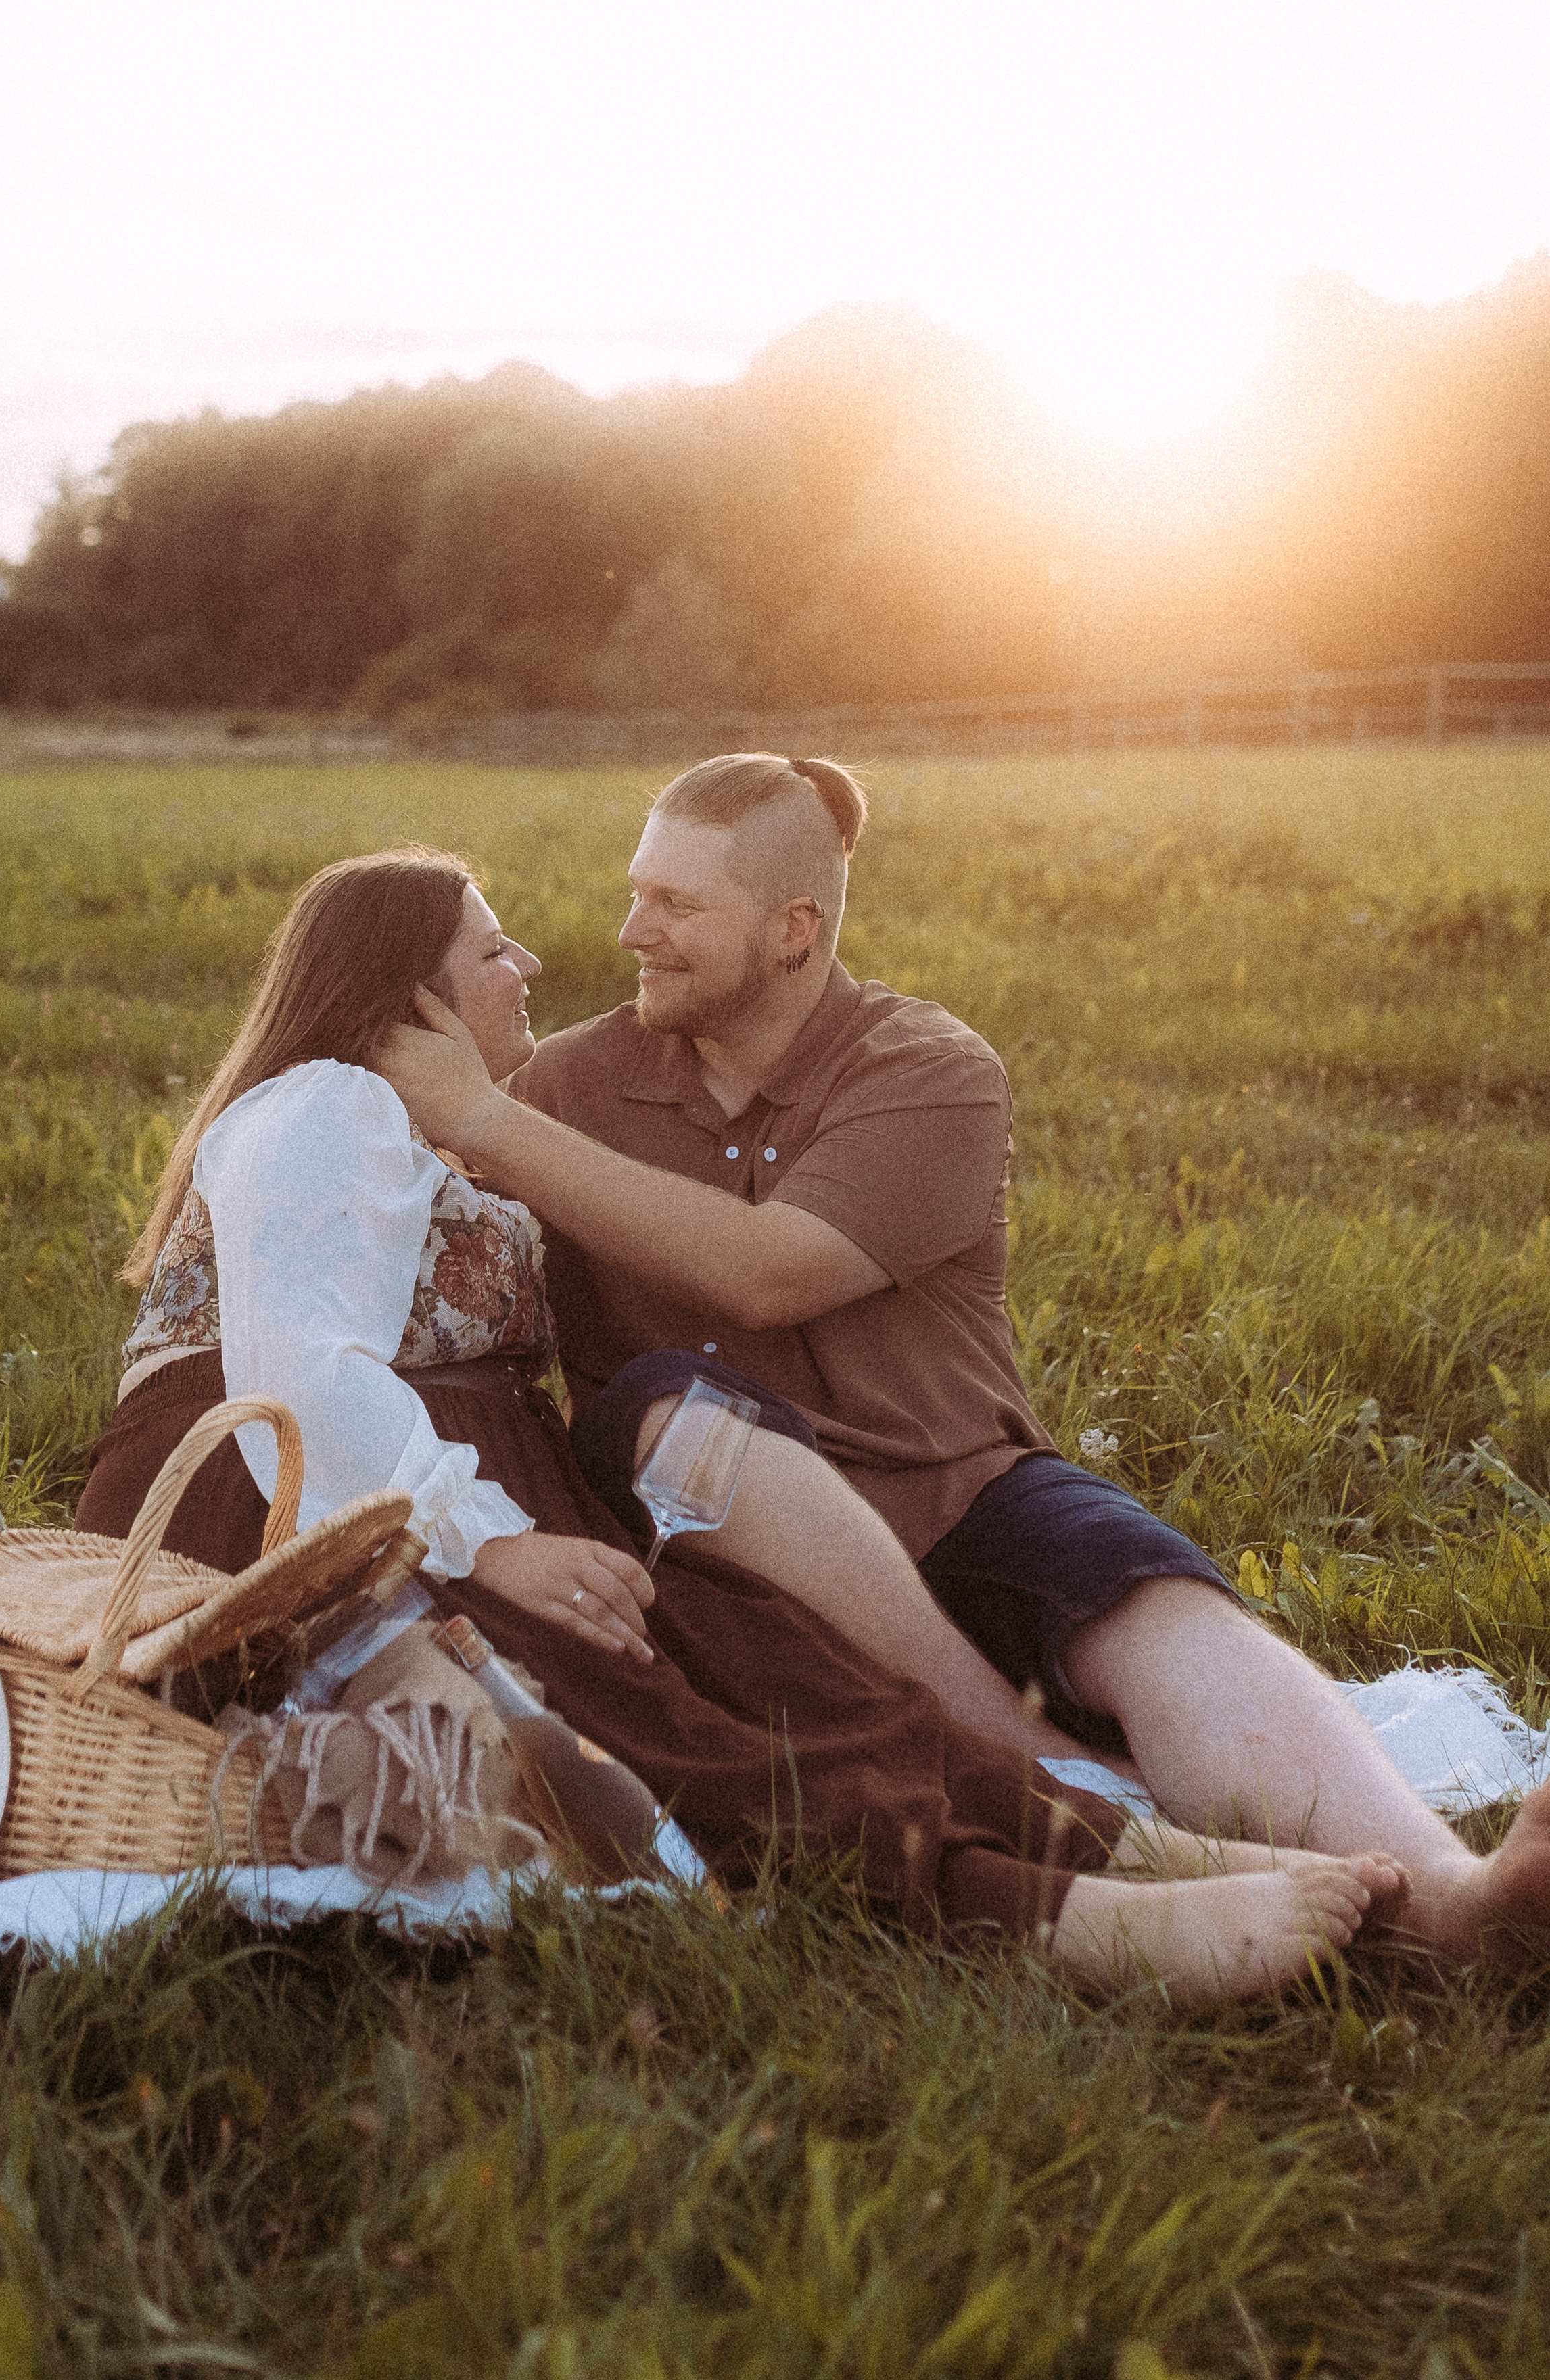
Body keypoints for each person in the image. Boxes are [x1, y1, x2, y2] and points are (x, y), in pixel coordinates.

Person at [76, 846, 1397, 2002]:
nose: (528, 958)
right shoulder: (325, 1101)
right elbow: (296, 1369)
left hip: (434, 1494)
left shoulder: (436, 1132)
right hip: (297, 1505)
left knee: (767, 1653)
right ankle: (1053, 1918)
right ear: (404, 996)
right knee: (645, 1710)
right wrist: (489, 1546)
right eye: (490, 946)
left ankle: (1108, 1841)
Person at [373, 757, 1550, 1971]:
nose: (634, 931)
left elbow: (769, 1271)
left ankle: (1456, 1904)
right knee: (665, 1403)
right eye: (638, 892)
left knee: (1150, 1604)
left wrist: (493, 1124)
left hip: (958, 1489)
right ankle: (1059, 1774)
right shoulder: (560, 1079)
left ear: (794, 930)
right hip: (711, 1546)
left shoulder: (926, 1069)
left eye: (678, 905)